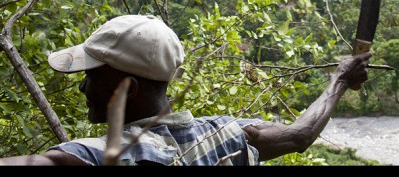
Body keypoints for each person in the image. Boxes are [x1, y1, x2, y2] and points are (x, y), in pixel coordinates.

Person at [0, 14, 371, 166]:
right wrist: (339, 78)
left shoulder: (101, 156)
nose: (83, 85)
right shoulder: (229, 136)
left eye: (92, 74)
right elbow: (300, 135)